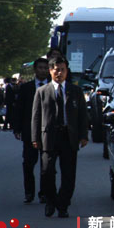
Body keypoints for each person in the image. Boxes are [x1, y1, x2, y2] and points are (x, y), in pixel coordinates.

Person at [31, 56, 89, 218]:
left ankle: (63, 204)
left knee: (69, 173)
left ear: (67, 71)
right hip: (49, 137)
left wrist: (83, 135)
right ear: (51, 71)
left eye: (63, 70)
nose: (59, 73)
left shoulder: (75, 91)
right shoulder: (42, 92)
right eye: (56, 69)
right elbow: (36, 116)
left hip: (69, 136)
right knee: (47, 171)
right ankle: (50, 201)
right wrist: (35, 137)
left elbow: (83, 116)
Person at [15, 58, 49, 204]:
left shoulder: (53, 87)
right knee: (28, 163)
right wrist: (17, 128)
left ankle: (44, 193)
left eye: (45, 68)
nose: (42, 70)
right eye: (40, 68)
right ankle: (29, 192)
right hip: (30, 132)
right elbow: (19, 109)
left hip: (48, 132)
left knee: (46, 165)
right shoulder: (26, 88)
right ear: (35, 70)